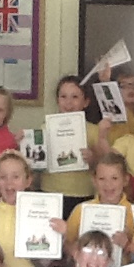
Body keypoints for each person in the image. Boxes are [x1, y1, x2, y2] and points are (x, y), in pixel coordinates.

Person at [0, 150, 65, 267]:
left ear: (28, 181)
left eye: (16, 177)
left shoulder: (40, 213)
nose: (9, 183)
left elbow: (43, 263)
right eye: (3, 177)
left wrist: (61, 236)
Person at [42, 76, 101, 218]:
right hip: (51, 191)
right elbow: (35, 162)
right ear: (57, 100)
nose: (68, 102)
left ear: (86, 102)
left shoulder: (95, 131)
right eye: (63, 96)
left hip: (83, 193)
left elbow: (103, 165)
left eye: (75, 97)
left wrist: (92, 159)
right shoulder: (46, 128)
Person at [65, 152, 134, 265]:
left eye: (114, 178)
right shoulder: (81, 210)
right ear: (94, 180)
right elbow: (67, 243)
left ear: (126, 180)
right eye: (102, 178)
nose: (108, 184)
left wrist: (127, 245)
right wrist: (75, 250)